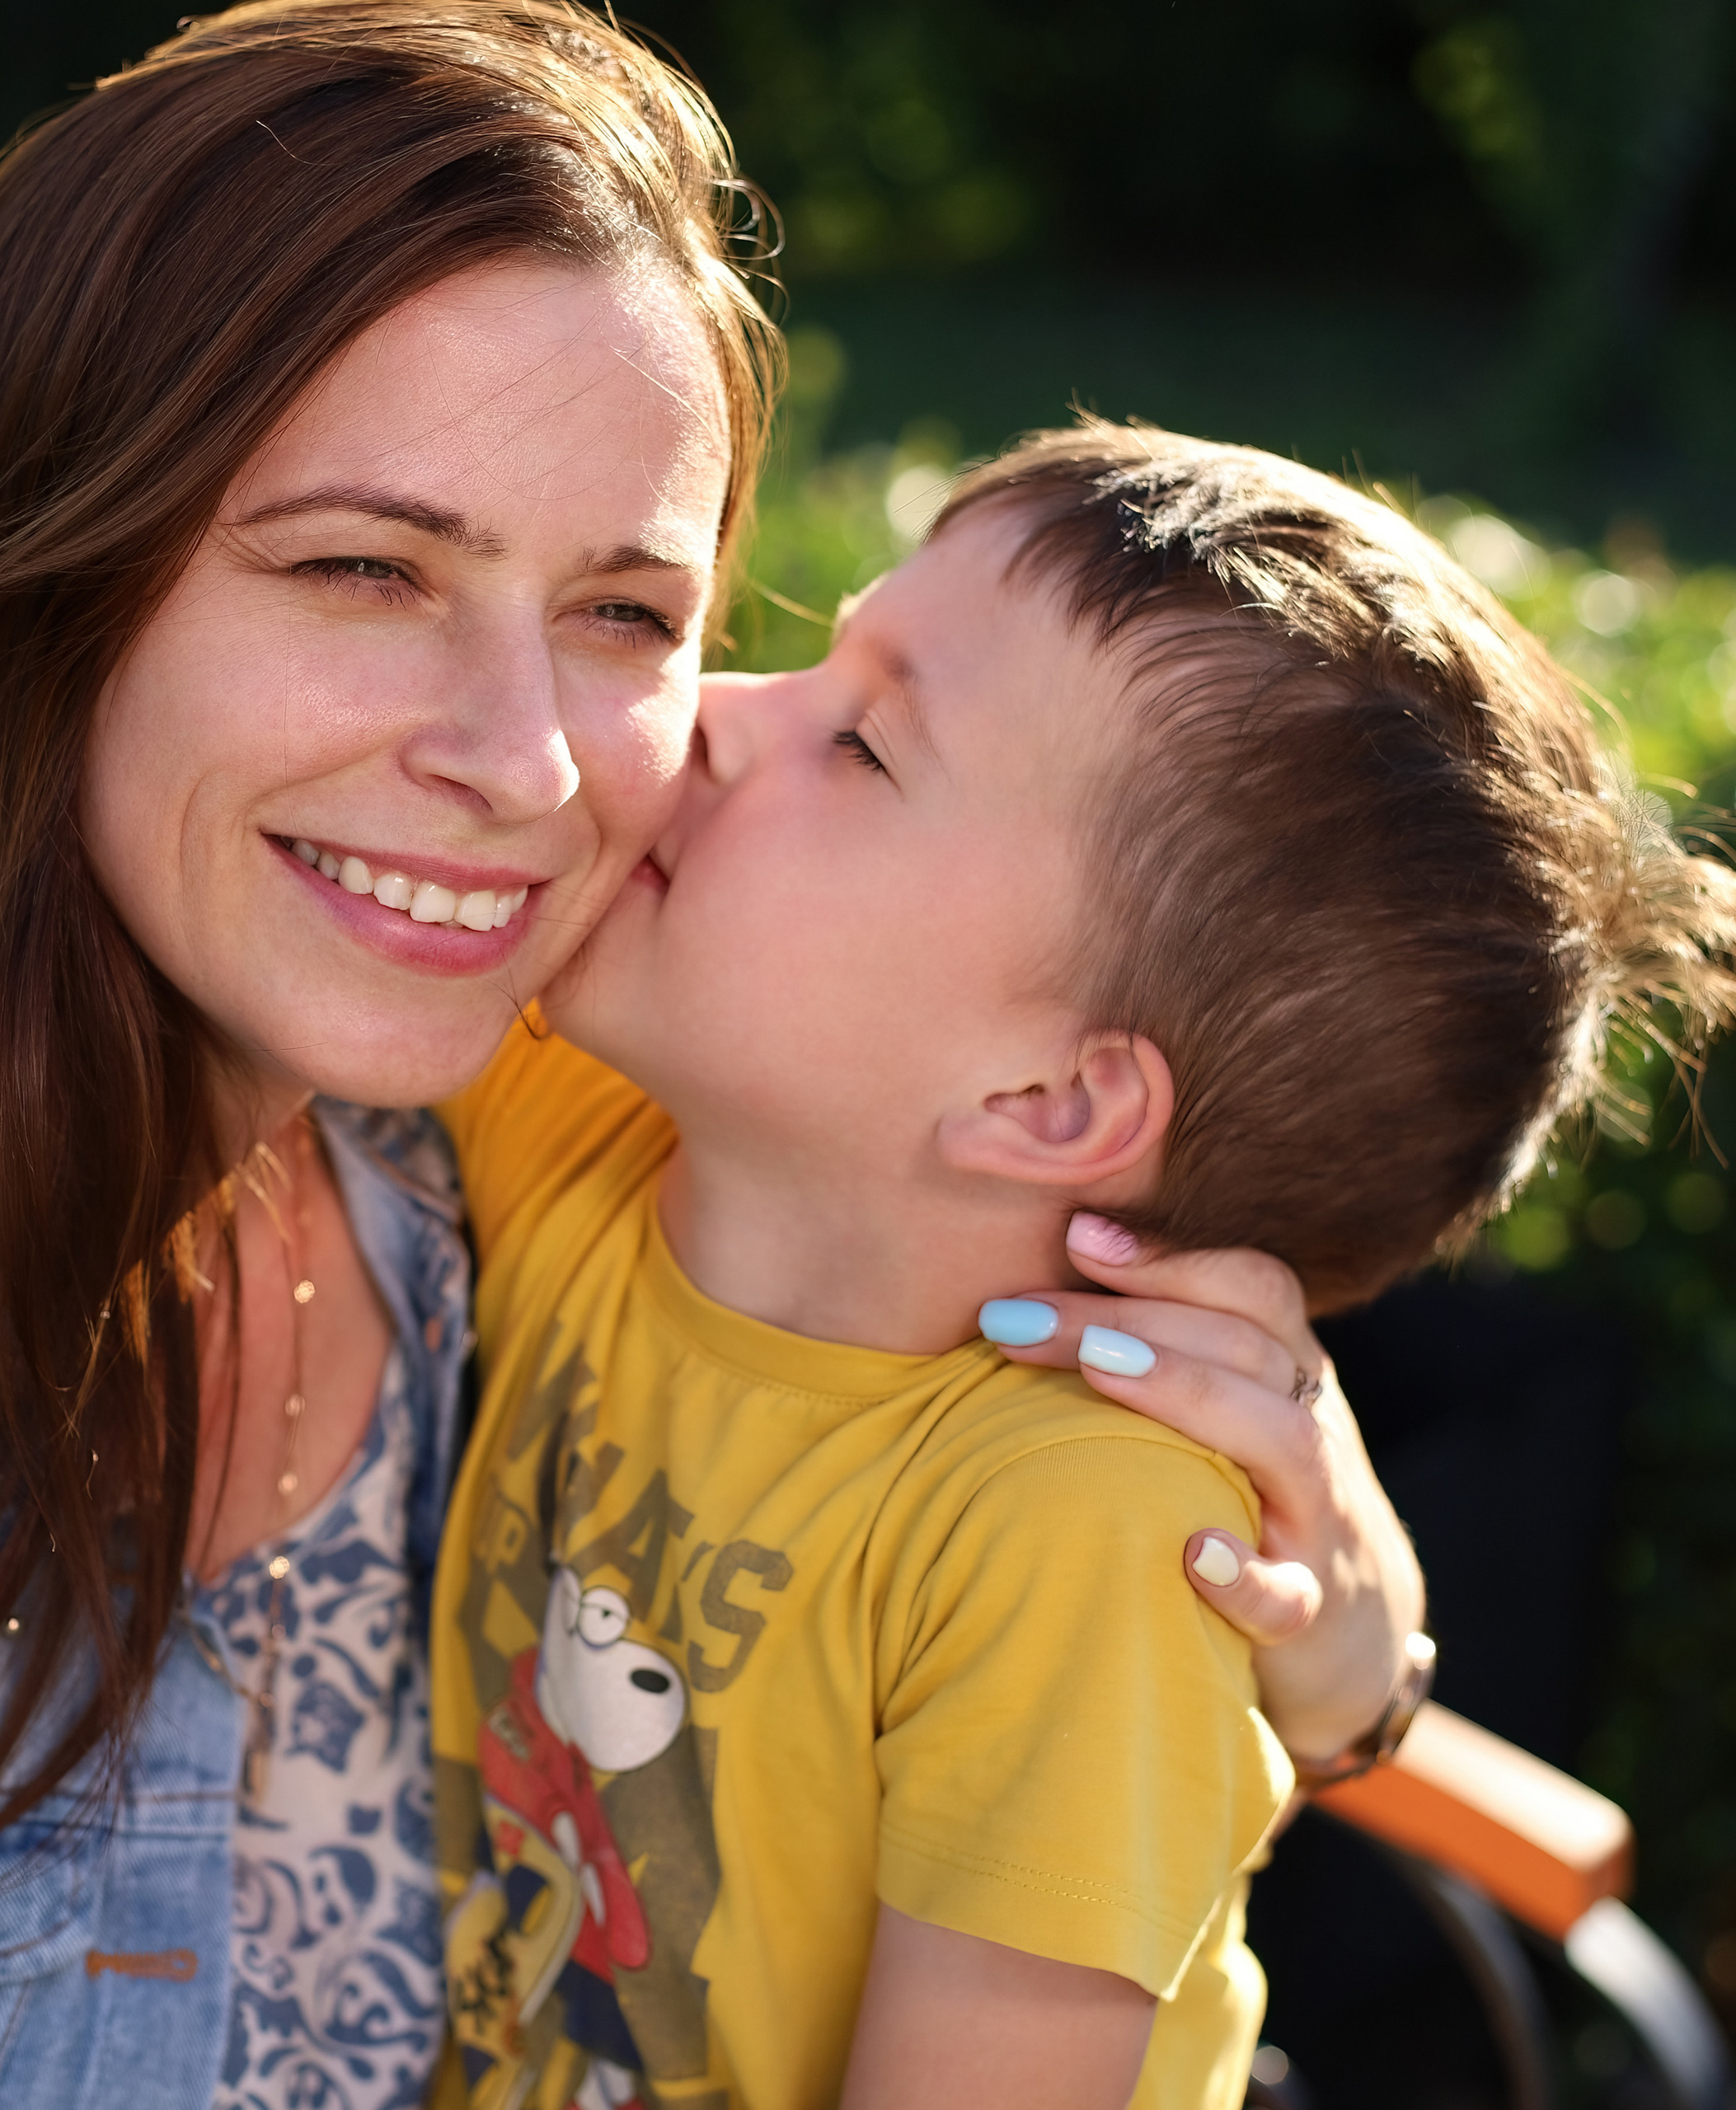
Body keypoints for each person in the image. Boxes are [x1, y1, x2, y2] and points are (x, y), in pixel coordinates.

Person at [0, 8, 1418, 2109]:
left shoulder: (508, 1095)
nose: (525, 765)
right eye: (363, 568)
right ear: (40, 577)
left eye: (627, 613)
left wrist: (1337, 1644)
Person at [423, 422, 1736, 2109]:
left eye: (863, 743)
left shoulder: (1079, 1536)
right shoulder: (586, 1129)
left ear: (1046, 1098)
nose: (714, 709)